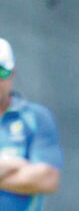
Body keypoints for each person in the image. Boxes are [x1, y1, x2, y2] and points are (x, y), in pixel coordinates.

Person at [0, 38, 64, 210]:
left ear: (12, 73)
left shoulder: (36, 117)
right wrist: (12, 164)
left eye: (1, 71)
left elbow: (47, 179)